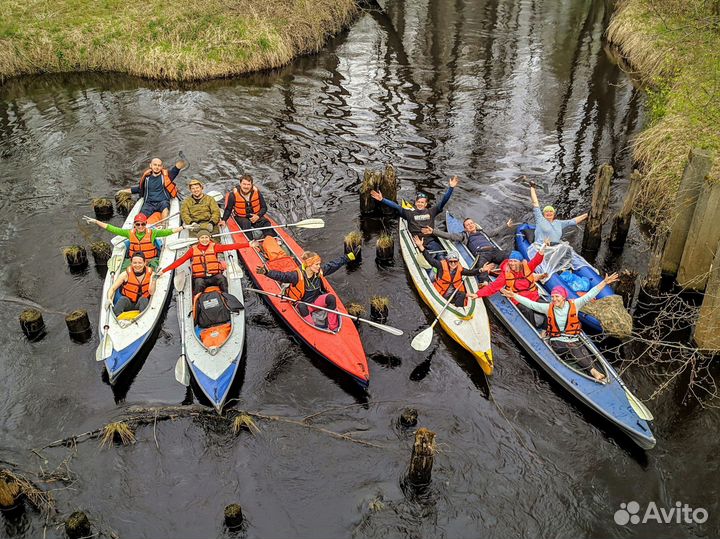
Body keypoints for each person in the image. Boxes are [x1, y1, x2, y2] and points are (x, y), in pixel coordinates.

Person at [501, 273, 620, 382]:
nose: (554, 299)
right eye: (552, 297)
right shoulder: (548, 308)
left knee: (581, 347)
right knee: (573, 347)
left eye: (557, 297)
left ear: (563, 297)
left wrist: (604, 282)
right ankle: (593, 371)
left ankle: (592, 368)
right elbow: (531, 304)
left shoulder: (574, 304)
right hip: (556, 342)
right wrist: (513, 295)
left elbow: (589, 295)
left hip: (573, 338)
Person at [257, 249, 358, 330]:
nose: (319, 267)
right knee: (301, 306)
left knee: (331, 298)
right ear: (309, 265)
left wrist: (349, 256)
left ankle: (332, 326)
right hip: (304, 305)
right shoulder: (296, 276)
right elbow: (282, 276)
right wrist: (267, 272)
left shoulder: (318, 272)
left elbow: (334, 264)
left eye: (319, 264)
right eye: (317, 264)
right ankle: (313, 327)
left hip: (316, 302)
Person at [370, 176, 459, 253]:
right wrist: (382, 200)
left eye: (422, 202)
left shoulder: (432, 211)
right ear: (415, 203)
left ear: (426, 204)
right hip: (416, 241)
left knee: (439, 254)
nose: (420, 204)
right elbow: (396, 207)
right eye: (418, 202)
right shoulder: (409, 213)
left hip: (430, 240)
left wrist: (451, 188)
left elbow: (443, 201)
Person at [474, 241, 549, 326]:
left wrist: (543, 248)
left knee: (549, 307)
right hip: (517, 298)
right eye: (511, 261)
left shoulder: (527, 267)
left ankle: (547, 328)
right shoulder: (506, 274)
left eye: (515, 261)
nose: (512, 263)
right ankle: (533, 327)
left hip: (532, 295)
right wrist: (477, 294)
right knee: (527, 310)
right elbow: (493, 287)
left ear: (520, 262)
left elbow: (537, 260)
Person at [161, 226, 250, 295]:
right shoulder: (192, 250)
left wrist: (249, 244)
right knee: (199, 283)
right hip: (200, 278)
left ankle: (227, 299)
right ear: (198, 239)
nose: (204, 240)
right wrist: (164, 271)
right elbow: (180, 261)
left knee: (222, 279)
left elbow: (231, 247)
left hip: (214, 276)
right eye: (202, 238)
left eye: (206, 237)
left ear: (209, 238)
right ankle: (197, 305)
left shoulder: (215, 247)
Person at [84, 213, 185, 269]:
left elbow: (168, 231)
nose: (140, 226)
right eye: (138, 224)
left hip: (150, 260)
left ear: (146, 224)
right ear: (134, 225)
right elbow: (112, 228)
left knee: (155, 271)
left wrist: (183, 227)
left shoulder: (153, 233)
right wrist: (96, 221)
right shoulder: (129, 233)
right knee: (125, 271)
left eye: (143, 224)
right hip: (134, 261)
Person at [413, 236, 486, 308]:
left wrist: (481, 270)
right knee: (431, 271)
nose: (453, 263)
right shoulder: (440, 265)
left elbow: (470, 272)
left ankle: (459, 309)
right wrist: (421, 247)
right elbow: (430, 260)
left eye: (455, 261)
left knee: (462, 294)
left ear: (457, 262)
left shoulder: (460, 269)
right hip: (441, 292)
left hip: (453, 292)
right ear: (447, 261)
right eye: (451, 262)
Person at [421, 217, 514, 269]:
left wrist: (506, 225)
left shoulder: (482, 232)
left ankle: (509, 270)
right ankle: (484, 282)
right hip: (482, 254)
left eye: (471, 223)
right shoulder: (464, 235)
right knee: (481, 268)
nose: (470, 225)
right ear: (465, 228)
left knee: (510, 255)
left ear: (475, 225)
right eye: (467, 225)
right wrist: (433, 231)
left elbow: (495, 232)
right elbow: (449, 236)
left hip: (494, 250)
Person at [118, 155, 187, 220]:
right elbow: (139, 189)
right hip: (149, 203)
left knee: (165, 209)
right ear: (150, 165)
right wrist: (122, 191)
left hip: (162, 202)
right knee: (141, 217)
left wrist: (183, 160)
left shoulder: (167, 176)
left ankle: (163, 225)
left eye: (159, 165)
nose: (157, 167)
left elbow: (176, 168)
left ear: (162, 167)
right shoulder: (146, 178)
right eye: (155, 165)